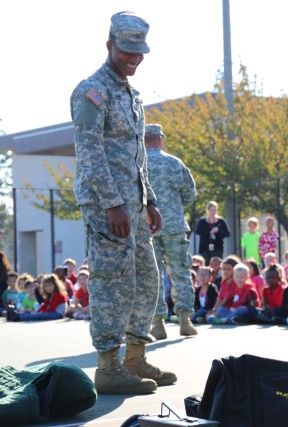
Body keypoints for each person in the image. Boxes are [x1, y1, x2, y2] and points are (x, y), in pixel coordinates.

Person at [70, 11, 175, 394]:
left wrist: (149, 199)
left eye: (139, 52)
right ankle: (108, 366)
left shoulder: (131, 94)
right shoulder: (92, 90)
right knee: (111, 282)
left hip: (134, 206)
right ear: (110, 45)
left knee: (147, 278)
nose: (133, 58)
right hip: (105, 207)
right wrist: (113, 202)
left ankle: (135, 357)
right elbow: (89, 151)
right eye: (127, 51)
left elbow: (136, 155)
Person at [144, 123, 198, 339]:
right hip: (174, 225)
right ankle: (185, 320)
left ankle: (157, 324)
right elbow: (190, 195)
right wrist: (174, 206)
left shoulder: (139, 163)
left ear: (143, 140)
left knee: (153, 274)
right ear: (161, 139)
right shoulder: (175, 163)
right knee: (180, 272)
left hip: (147, 226)